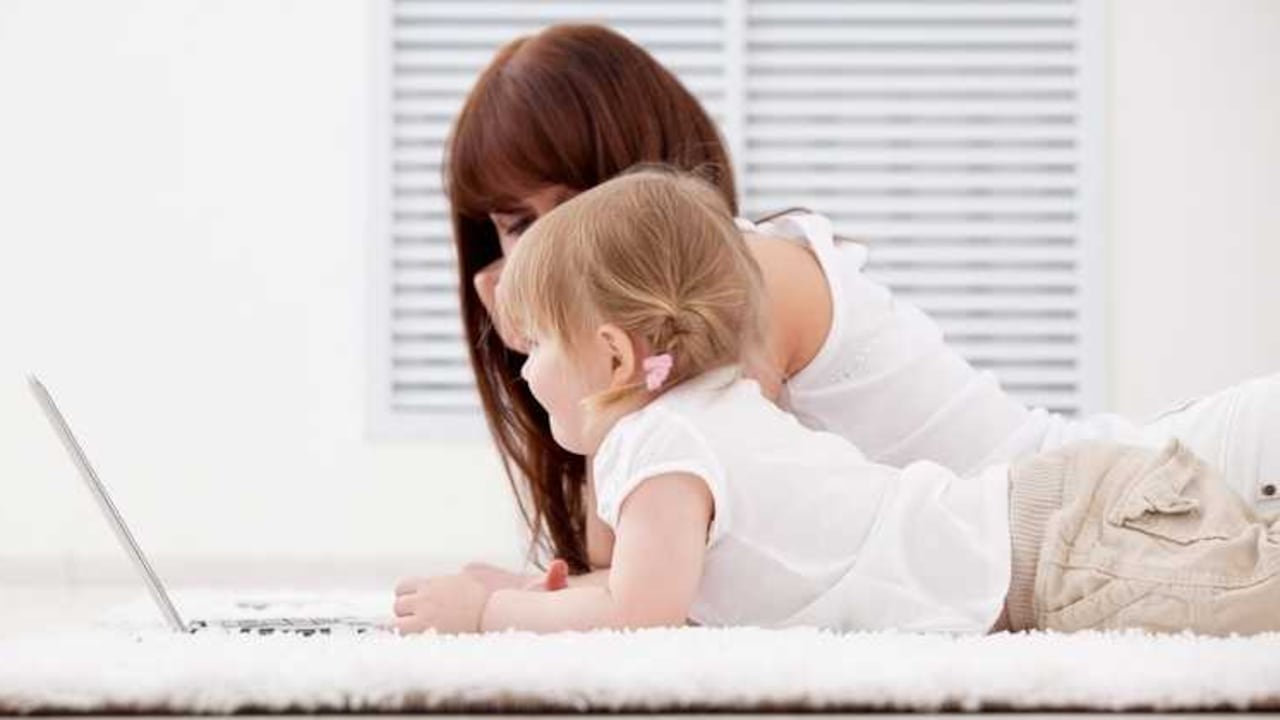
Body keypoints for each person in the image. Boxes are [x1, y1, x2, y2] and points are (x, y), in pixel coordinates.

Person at [439, 23, 1280, 594]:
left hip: (1142, 495)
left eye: (572, 200)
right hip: (1104, 523)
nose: (544, 247)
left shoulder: (741, 279)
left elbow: (634, 562)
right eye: (516, 226)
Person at [392, 170, 1280, 636]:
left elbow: (636, 612)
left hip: (1056, 560)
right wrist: (537, 592)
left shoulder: (656, 445)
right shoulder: (706, 410)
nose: (526, 365)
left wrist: (492, 612)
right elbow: (641, 581)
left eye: (538, 344)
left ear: (617, 354)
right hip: (1052, 515)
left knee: (1254, 597)